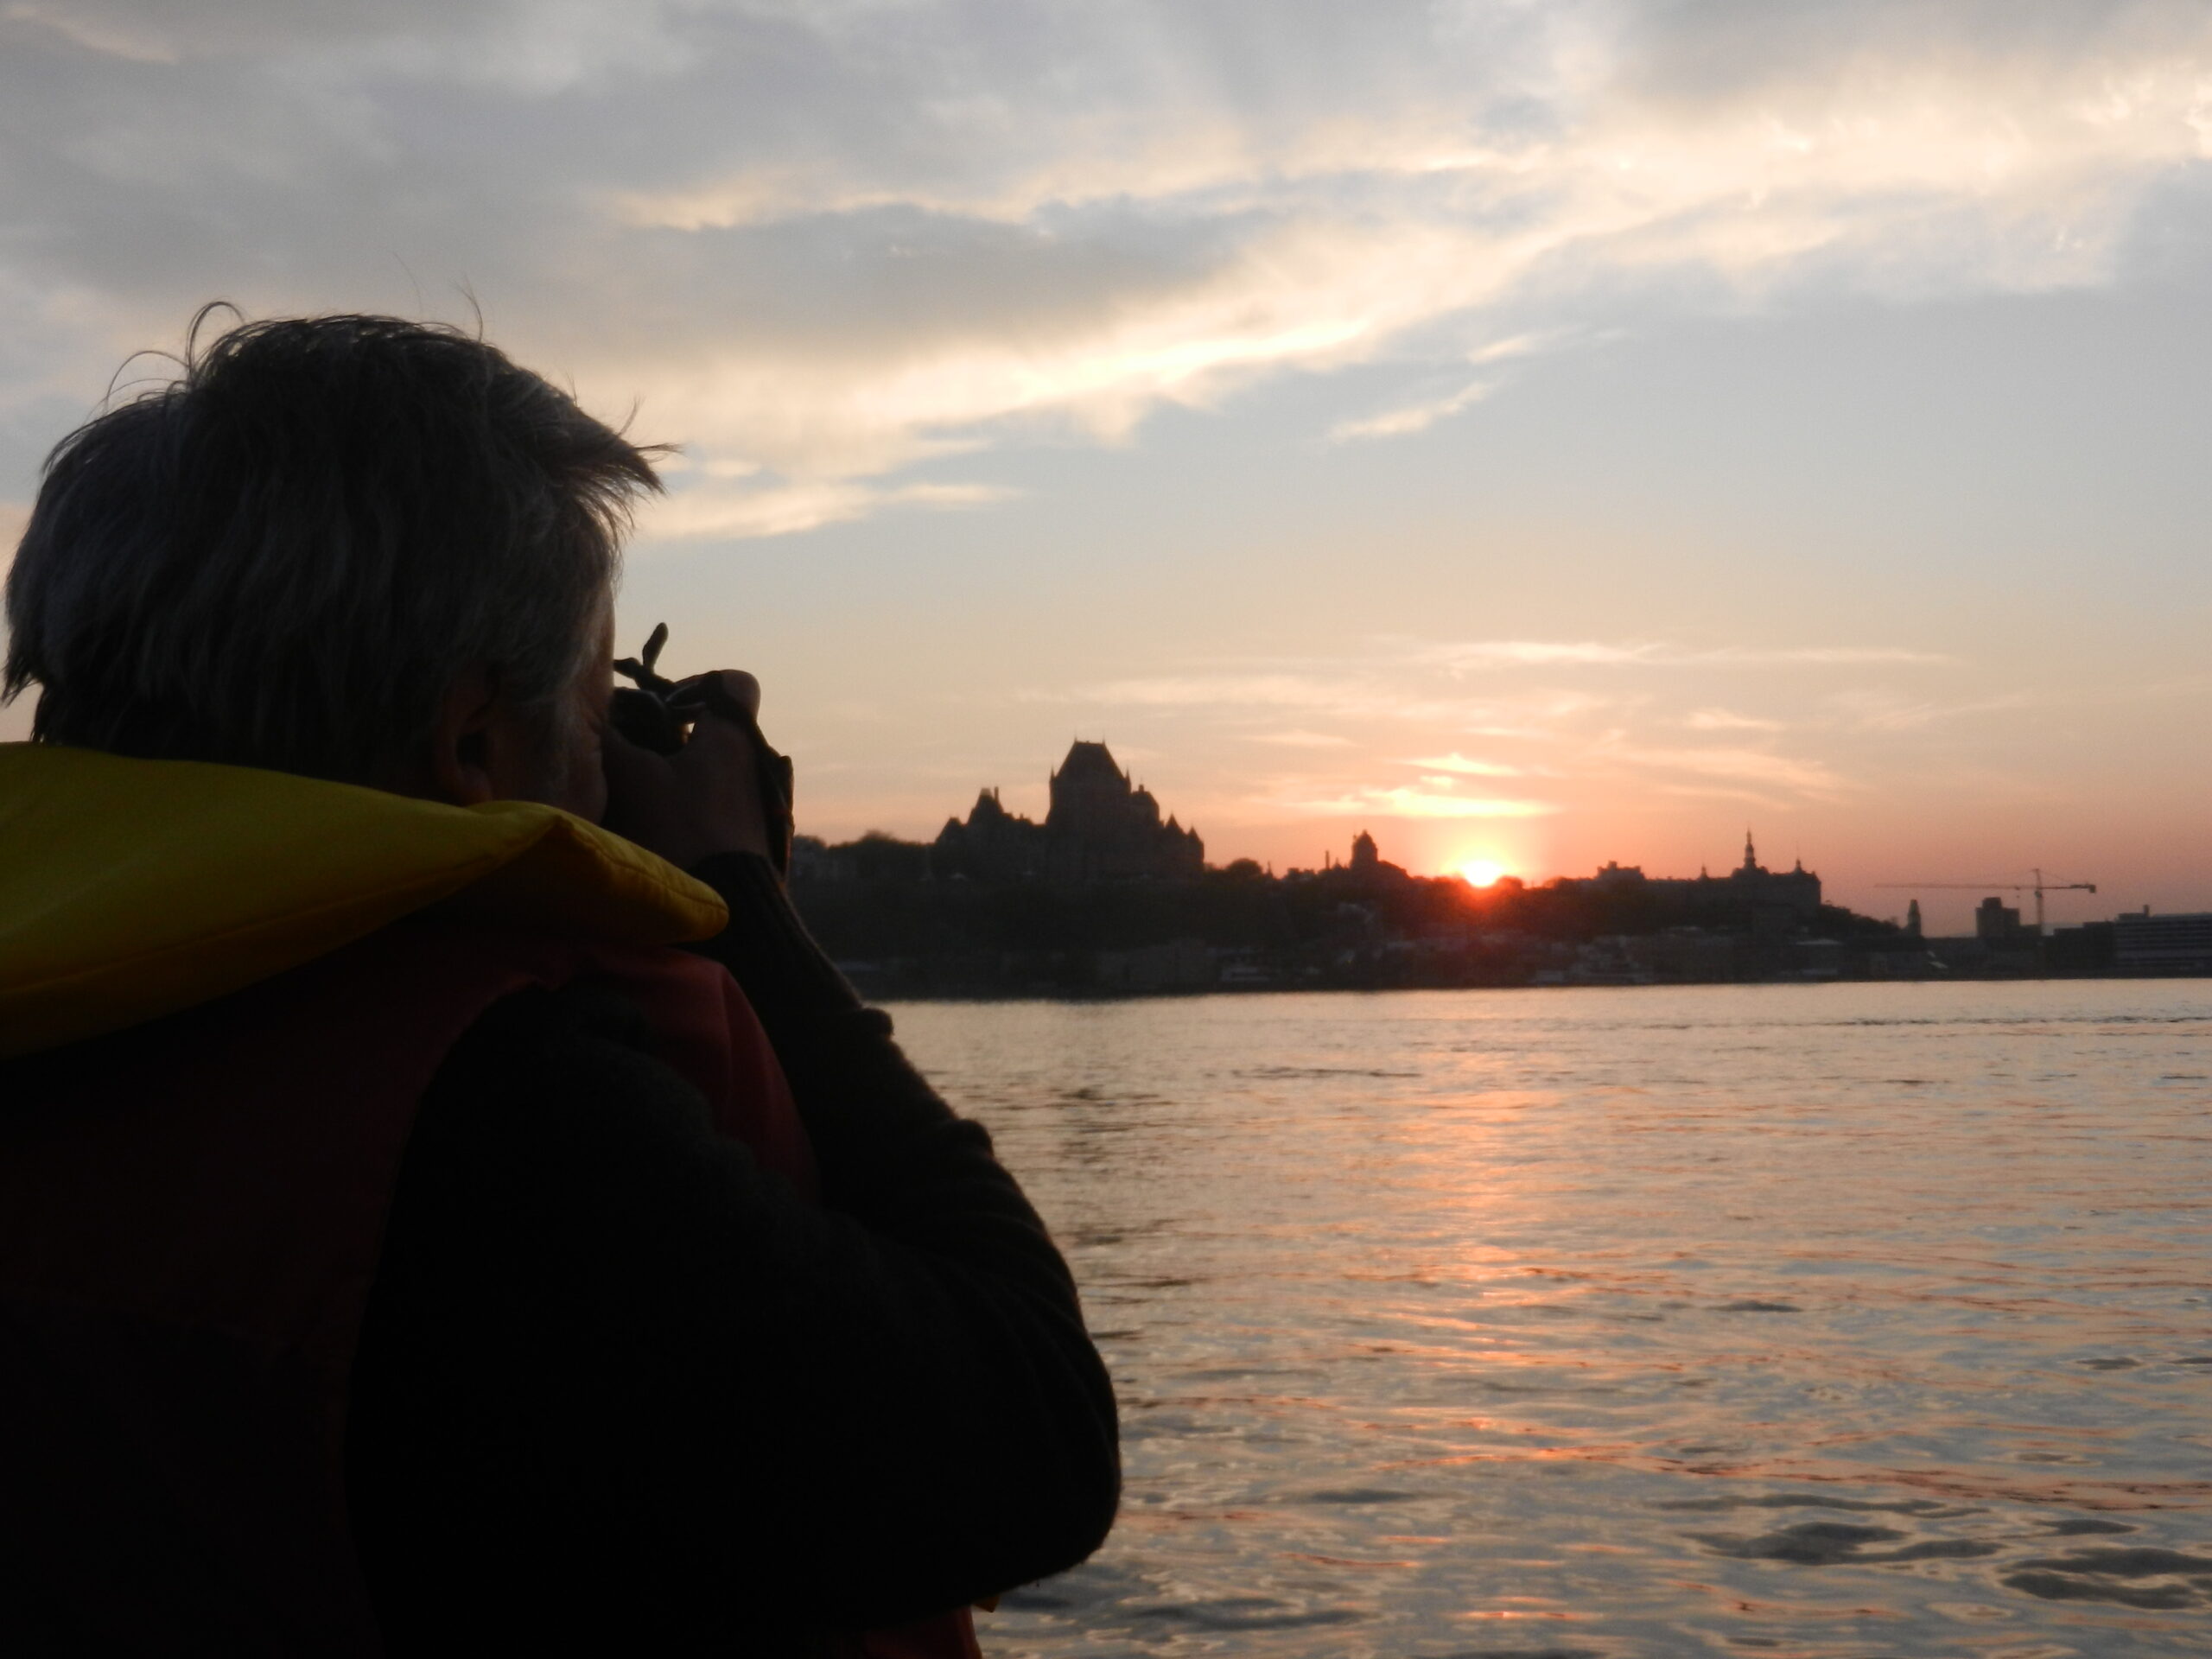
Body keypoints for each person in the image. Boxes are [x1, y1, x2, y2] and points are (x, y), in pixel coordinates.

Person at [0, 313, 1119, 1655]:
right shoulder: (503, 1134)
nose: (607, 778)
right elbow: (1031, 1435)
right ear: (473, 745)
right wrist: (742, 899)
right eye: (598, 723)